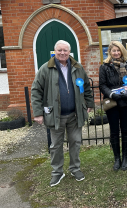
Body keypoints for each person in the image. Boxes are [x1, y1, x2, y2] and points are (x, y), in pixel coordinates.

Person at [31, 40, 94, 187]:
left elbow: (86, 87)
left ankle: (75, 169)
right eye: (59, 50)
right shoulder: (45, 69)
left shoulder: (78, 67)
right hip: (55, 116)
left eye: (65, 50)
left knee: (75, 142)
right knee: (55, 145)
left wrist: (89, 103)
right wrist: (38, 113)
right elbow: (36, 91)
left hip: (75, 114)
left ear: (69, 52)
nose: (62, 53)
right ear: (54, 51)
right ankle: (57, 172)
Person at [99, 41, 127, 171]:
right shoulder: (104, 67)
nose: (116, 53)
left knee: (125, 129)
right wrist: (112, 94)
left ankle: (125, 157)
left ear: (122, 51)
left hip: (125, 102)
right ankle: (117, 158)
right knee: (114, 131)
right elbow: (102, 85)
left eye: (118, 50)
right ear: (109, 52)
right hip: (112, 102)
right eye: (113, 50)